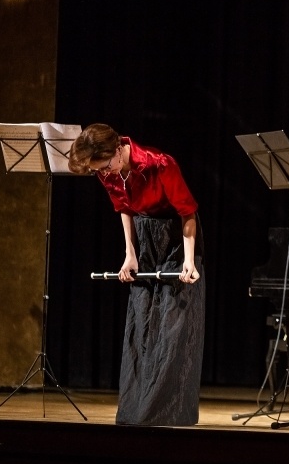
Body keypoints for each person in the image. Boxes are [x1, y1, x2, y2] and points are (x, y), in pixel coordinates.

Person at [68, 123, 205, 426]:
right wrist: (130, 254)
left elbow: (187, 213)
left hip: (177, 237)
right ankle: (135, 409)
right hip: (145, 239)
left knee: (172, 324)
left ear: (117, 151)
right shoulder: (107, 171)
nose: (103, 174)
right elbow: (124, 208)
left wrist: (189, 260)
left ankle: (166, 412)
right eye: (98, 171)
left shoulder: (160, 164)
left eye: (104, 167)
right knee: (142, 321)